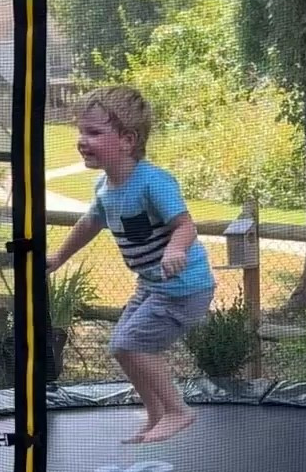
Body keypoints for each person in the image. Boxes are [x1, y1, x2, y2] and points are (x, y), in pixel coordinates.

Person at [46, 86, 215, 443]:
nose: (82, 140)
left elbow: (185, 226)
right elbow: (91, 223)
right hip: (153, 284)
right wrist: (58, 257)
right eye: (81, 131)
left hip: (184, 287)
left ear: (127, 140)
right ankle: (156, 413)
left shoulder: (153, 182)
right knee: (122, 348)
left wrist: (175, 251)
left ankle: (177, 411)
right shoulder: (104, 187)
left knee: (130, 343)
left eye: (93, 132)